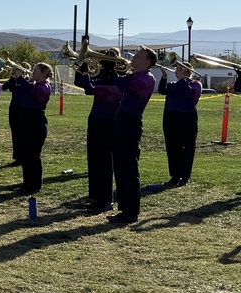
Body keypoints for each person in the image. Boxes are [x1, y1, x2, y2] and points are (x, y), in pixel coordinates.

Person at [109, 47, 158, 224]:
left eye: (138, 56)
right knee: (120, 166)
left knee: (129, 167)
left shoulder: (146, 78)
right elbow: (114, 81)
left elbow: (123, 86)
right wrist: (109, 68)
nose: (133, 58)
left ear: (147, 62)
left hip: (131, 122)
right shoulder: (135, 75)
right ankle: (124, 209)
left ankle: (131, 211)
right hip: (122, 119)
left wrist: (111, 69)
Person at [74, 61, 122, 213]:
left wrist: (85, 73)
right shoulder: (103, 76)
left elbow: (89, 89)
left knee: (104, 161)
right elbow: (80, 83)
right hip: (95, 119)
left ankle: (105, 200)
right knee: (94, 159)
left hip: (107, 122)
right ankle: (96, 197)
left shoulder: (117, 81)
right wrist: (81, 70)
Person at [11, 63, 53, 194]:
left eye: (35, 71)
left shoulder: (44, 86)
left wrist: (21, 78)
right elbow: (19, 90)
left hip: (35, 123)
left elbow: (34, 92)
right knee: (25, 154)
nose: (32, 72)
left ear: (44, 73)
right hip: (26, 121)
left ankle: (34, 185)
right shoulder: (33, 84)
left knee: (33, 155)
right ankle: (27, 184)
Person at [158, 60, 202, 186]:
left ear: (186, 71)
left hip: (187, 117)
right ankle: (175, 175)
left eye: (179, 69)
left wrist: (183, 79)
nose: (176, 71)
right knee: (172, 146)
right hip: (170, 116)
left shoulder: (195, 84)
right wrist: (164, 77)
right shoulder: (173, 84)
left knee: (187, 147)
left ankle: (185, 176)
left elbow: (191, 97)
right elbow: (162, 90)